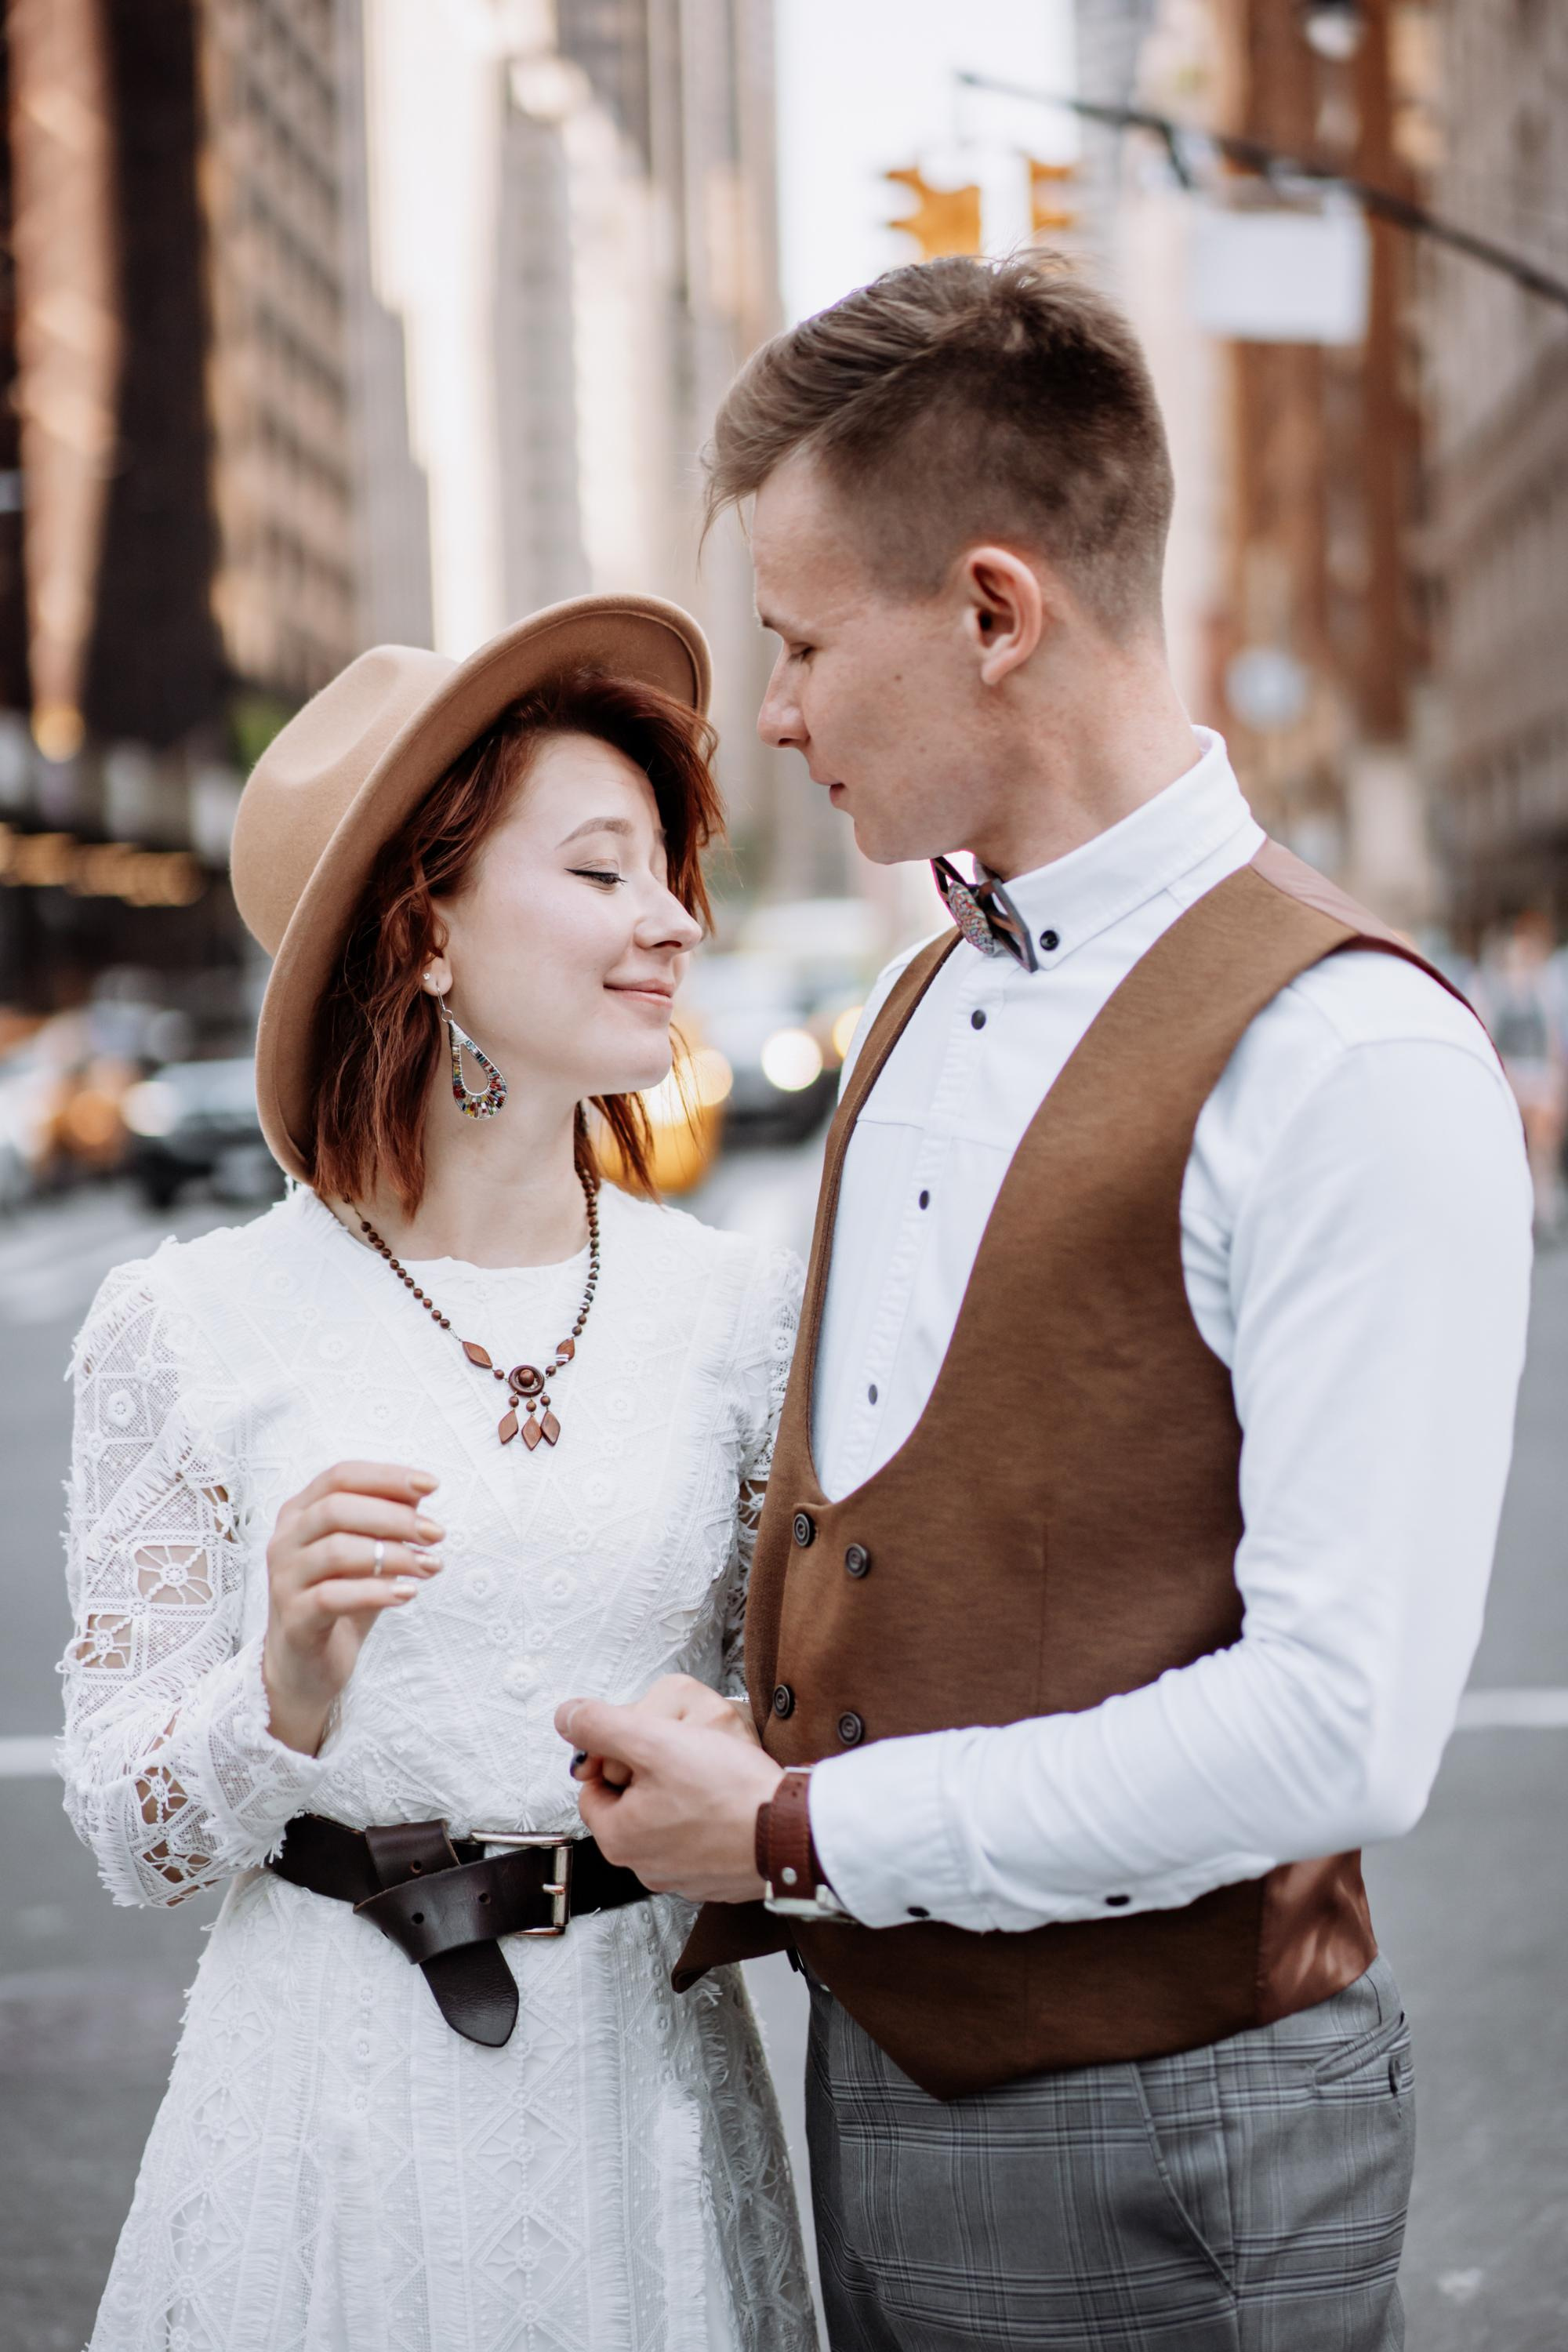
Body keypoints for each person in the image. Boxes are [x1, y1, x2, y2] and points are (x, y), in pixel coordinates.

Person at [555, 260, 1535, 2350]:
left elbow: (1339, 1729)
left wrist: (803, 1829)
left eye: (804, 644)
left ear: (997, 612)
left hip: (1171, 2139)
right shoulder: (918, 999)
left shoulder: (1348, 1058)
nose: (783, 713)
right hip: (875, 2092)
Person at [59, 596, 817, 2352]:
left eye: (667, 875)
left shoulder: (736, 1311)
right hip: (334, 2114)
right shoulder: (190, 1322)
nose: (671, 923)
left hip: (651, 2094)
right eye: (604, 872)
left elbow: (813, 1710)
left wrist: (741, 1753)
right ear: (427, 937)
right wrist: (283, 1687)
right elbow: (125, 1827)